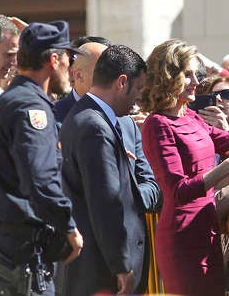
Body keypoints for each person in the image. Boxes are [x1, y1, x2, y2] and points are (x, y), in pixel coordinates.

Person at [140, 39, 229, 296]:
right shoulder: (158, 124)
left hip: (207, 231)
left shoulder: (190, 116)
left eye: (196, 74)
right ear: (168, 76)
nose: (196, 81)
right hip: (183, 238)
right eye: (188, 75)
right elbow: (178, 190)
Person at [0, 21, 84, 296]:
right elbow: (41, 178)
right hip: (21, 253)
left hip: (0, 247)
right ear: (53, 59)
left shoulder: (5, 103)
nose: (70, 70)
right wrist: (68, 226)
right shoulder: (31, 108)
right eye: (68, 60)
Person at [59, 45, 160, 295]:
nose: (139, 98)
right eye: (138, 88)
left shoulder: (93, 118)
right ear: (122, 82)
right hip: (101, 270)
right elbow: (105, 201)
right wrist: (121, 265)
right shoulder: (94, 125)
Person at [53, 38, 110, 123]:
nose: (112, 77)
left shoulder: (123, 115)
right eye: (103, 71)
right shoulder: (54, 115)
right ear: (79, 75)